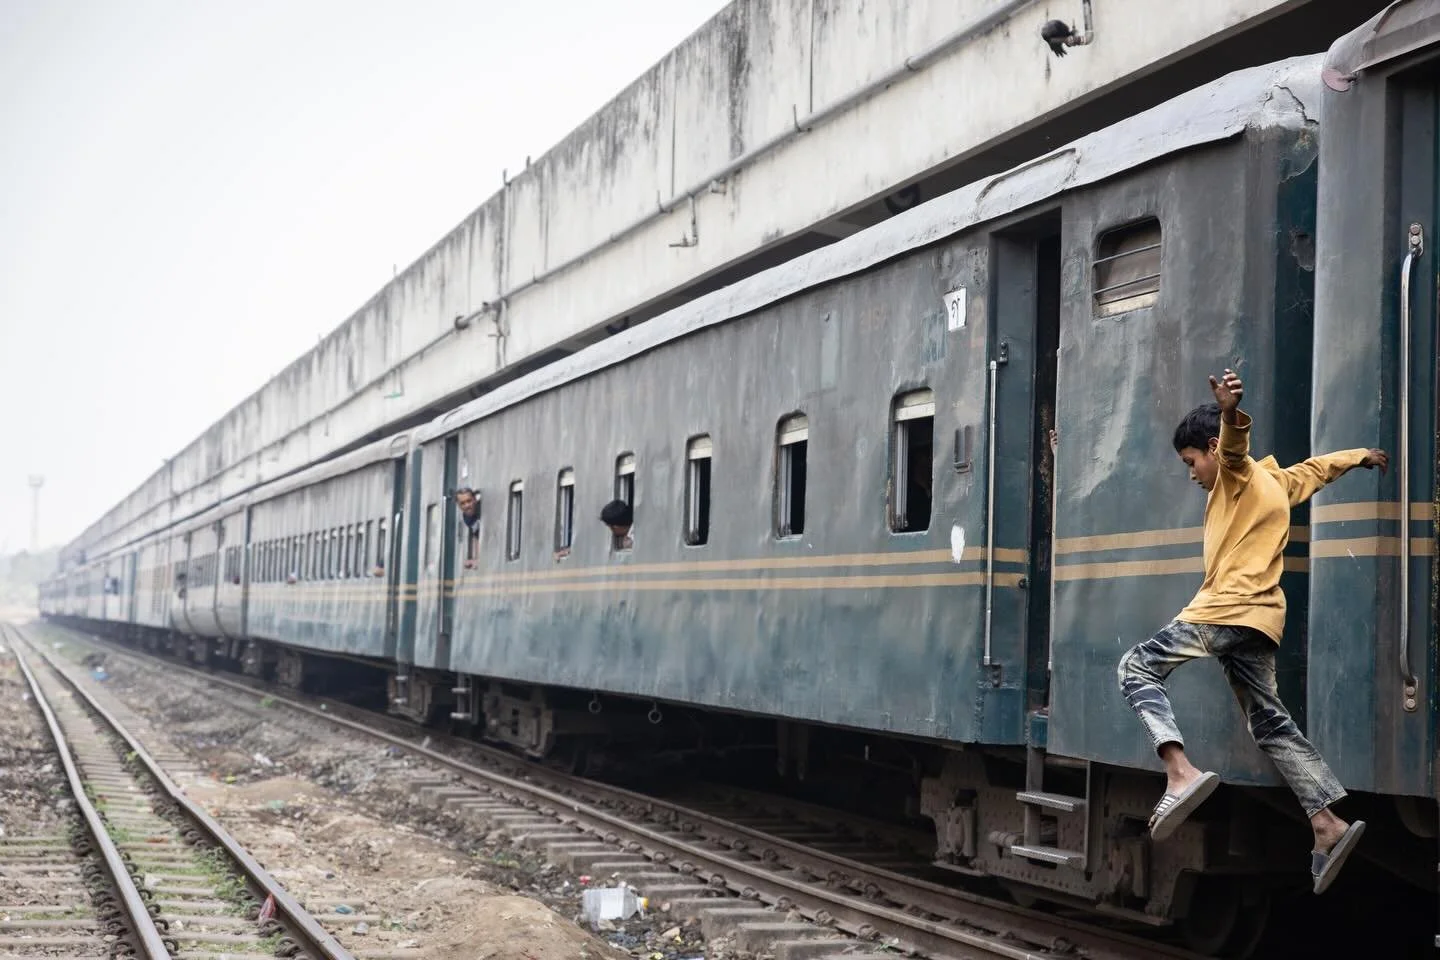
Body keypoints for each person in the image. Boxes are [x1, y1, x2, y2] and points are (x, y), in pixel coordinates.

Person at [1115, 368, 1387, 895]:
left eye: (1193, 462)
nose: (1193, 475)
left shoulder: (1236, 473)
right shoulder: (1278, 482)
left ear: (1211, 449)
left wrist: (1230, 413)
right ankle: (1326, 822)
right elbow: (1317, 469)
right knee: (1270, 724)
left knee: (1136, 666)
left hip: (1225, 609)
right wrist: (1360, 456)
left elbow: (1235, 447)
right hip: (1263, 622)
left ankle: (1179, 772)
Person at [456, 487, 480, 568]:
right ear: (459, 505)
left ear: (475, 500)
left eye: (469, 501)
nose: (467, 505)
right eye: (462, 503)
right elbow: (476, 535)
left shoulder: (481, 510)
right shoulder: (467, 518)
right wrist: (475, 558)